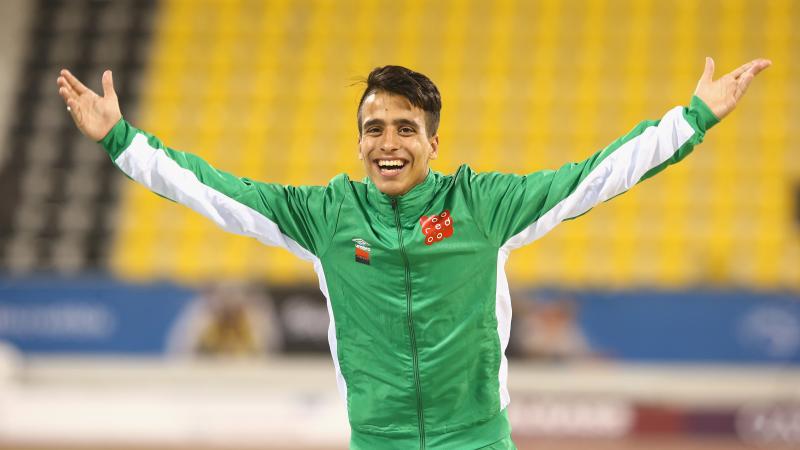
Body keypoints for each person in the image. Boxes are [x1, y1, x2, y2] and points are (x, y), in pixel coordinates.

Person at [57, 57, 770, 449]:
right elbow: (212, 190)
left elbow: (596, 175)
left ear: (434, 142)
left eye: (405, 127)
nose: (387, 142)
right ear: (359, 140)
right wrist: (122, 141)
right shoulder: (325, 215)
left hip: (477, 439)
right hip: (378, 441)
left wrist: (693, 118)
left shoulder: (484, 207)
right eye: (374, 128)